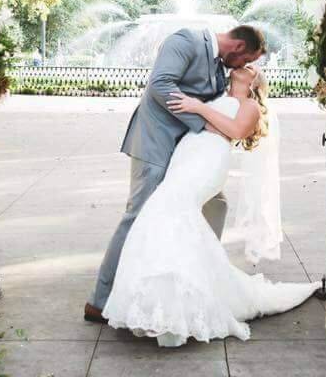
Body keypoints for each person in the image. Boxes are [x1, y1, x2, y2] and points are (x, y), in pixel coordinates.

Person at [100, 65, 322, 346]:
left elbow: (237, 130)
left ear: (254, 79)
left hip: (209, 160)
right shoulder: (217, 93)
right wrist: (197, 111)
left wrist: (200, 110)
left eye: (250, 66)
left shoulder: (250, 105)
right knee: (163, 215)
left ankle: (181, 305)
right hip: (188, 154)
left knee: (170, 211)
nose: (243, 66)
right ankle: (162, 302)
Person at [84, 25, 266, 325]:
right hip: (155, 145)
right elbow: (160, 85)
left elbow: (227, 107)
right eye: (249, 59)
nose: (248, 67)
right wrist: (203, 123)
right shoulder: (185, 41)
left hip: (189, 155)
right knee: (138, 216)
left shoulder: (222, 66)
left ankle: (194, 281)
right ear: (237, 47)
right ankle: (100, 301)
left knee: (215, 205)